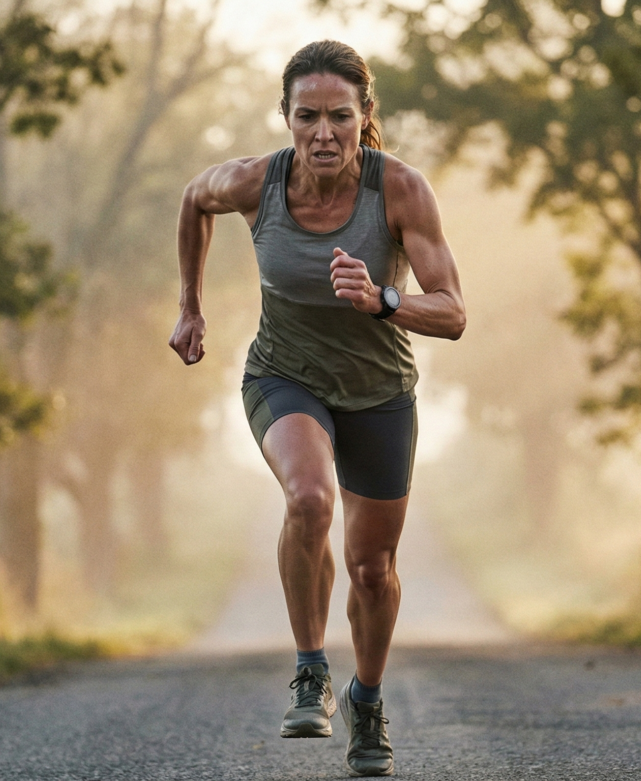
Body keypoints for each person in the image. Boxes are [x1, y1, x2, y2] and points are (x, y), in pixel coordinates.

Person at [169, 39, 465, 778]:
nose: (323, 132)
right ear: (287, 118)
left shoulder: (399, 191)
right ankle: (311, 671)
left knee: (372, 567)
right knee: (308, 498)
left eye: (339, 115)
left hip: (380, 394)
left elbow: (454, 311)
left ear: (366, 117)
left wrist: (383, 299)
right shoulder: (254, 183)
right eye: (308, 116)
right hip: (283, 375)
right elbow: (192, 199)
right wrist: (190, 307)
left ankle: (367, 699)